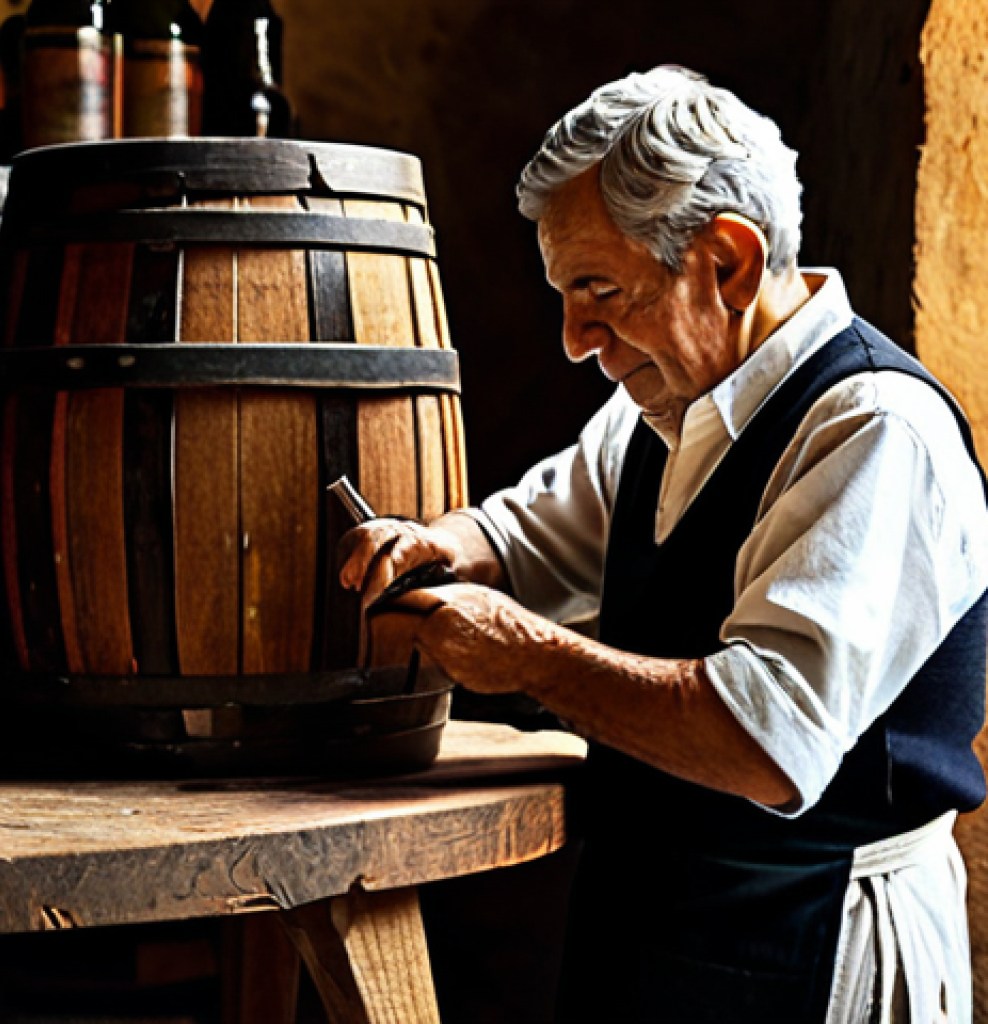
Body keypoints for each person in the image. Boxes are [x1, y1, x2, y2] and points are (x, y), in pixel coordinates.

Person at [340, 66, 988, 1024]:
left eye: (599, 290)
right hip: (663, 921)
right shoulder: (666, 403)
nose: (572, 338)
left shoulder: (875, 430)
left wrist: (521, 654)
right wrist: (444, 544)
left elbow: (764, 739)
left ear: (726, 260)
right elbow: (533, 534)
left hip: (820, 940)